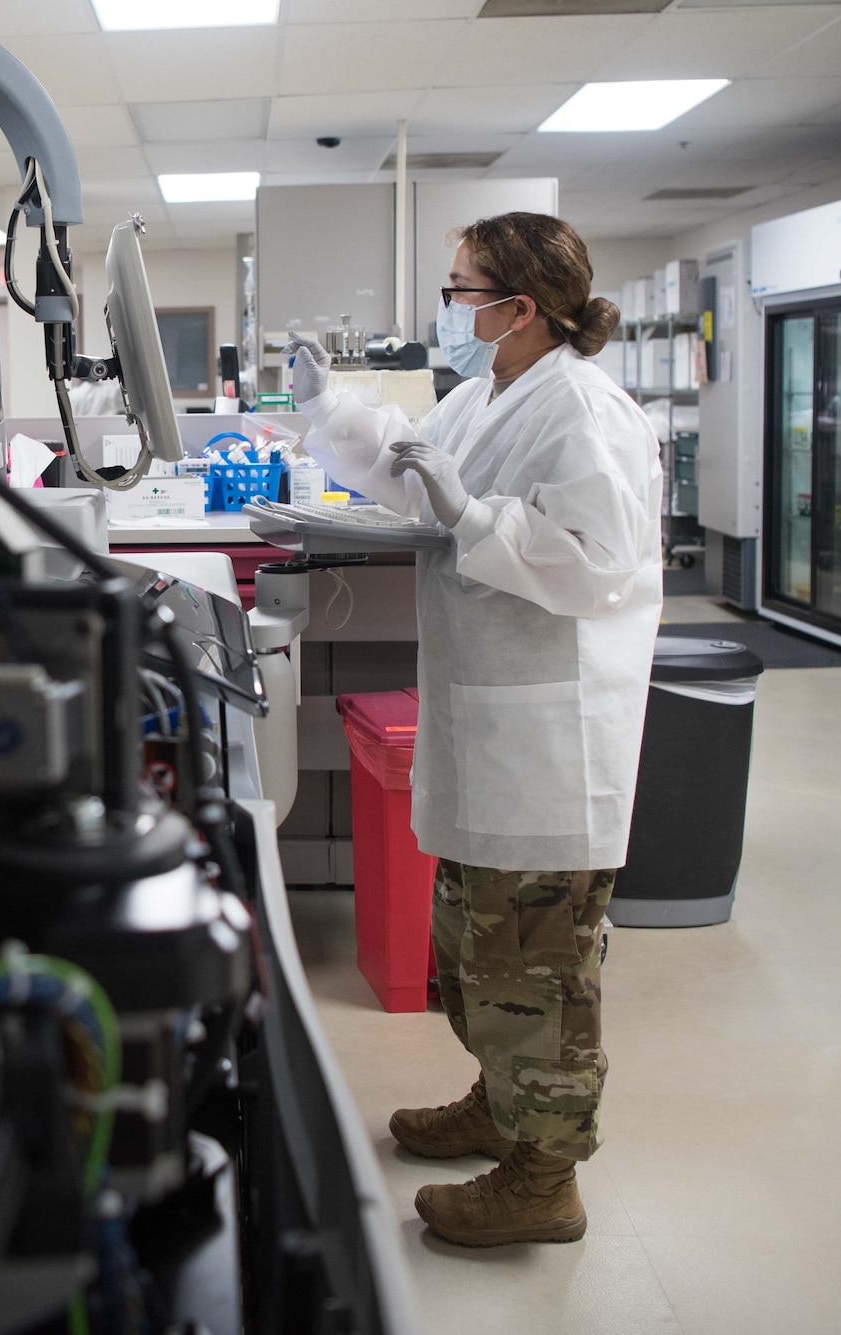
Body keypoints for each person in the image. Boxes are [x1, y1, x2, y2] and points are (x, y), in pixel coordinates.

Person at [287, 213, 661, 1248]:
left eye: (459, 293)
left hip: (549, 734)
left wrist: (473, 518)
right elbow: (415, 474)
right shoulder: (491, 393)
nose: (448, 312)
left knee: (536, 970)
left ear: (517, 307)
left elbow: (594, 564)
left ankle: (543, 1176)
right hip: (490, 716)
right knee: (472, 945)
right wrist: (329, 408)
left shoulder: (584, 412)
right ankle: (498, 1105)